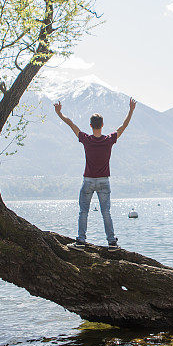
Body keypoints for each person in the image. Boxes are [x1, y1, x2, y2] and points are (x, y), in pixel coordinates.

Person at [55, 98, 137, 247]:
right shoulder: (109, 140)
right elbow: (123, 126)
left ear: (91, 125)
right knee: (106, 213)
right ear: (102, 125)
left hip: (88, 181)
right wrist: (131, 110)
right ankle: (111, 242)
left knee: (83, 212)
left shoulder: (86, 139)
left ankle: (81, 240)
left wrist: (59, 113)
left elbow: (71, 124)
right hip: (104, 181)